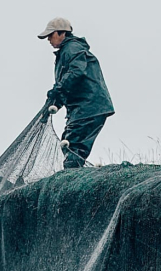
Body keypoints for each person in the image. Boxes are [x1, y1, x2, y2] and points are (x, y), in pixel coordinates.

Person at [37, 17, 114, 168]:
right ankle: (72, 174)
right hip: (87, 108)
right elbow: (68, 84)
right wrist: (56, 102)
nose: (48, 40)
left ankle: (71, 178)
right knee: (70, 142)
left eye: (50, 35)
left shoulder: (72, 48)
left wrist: (56, 90)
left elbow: (76, 73)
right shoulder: (67, 51)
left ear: (62, 33)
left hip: (88, 107)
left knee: (73, 144)